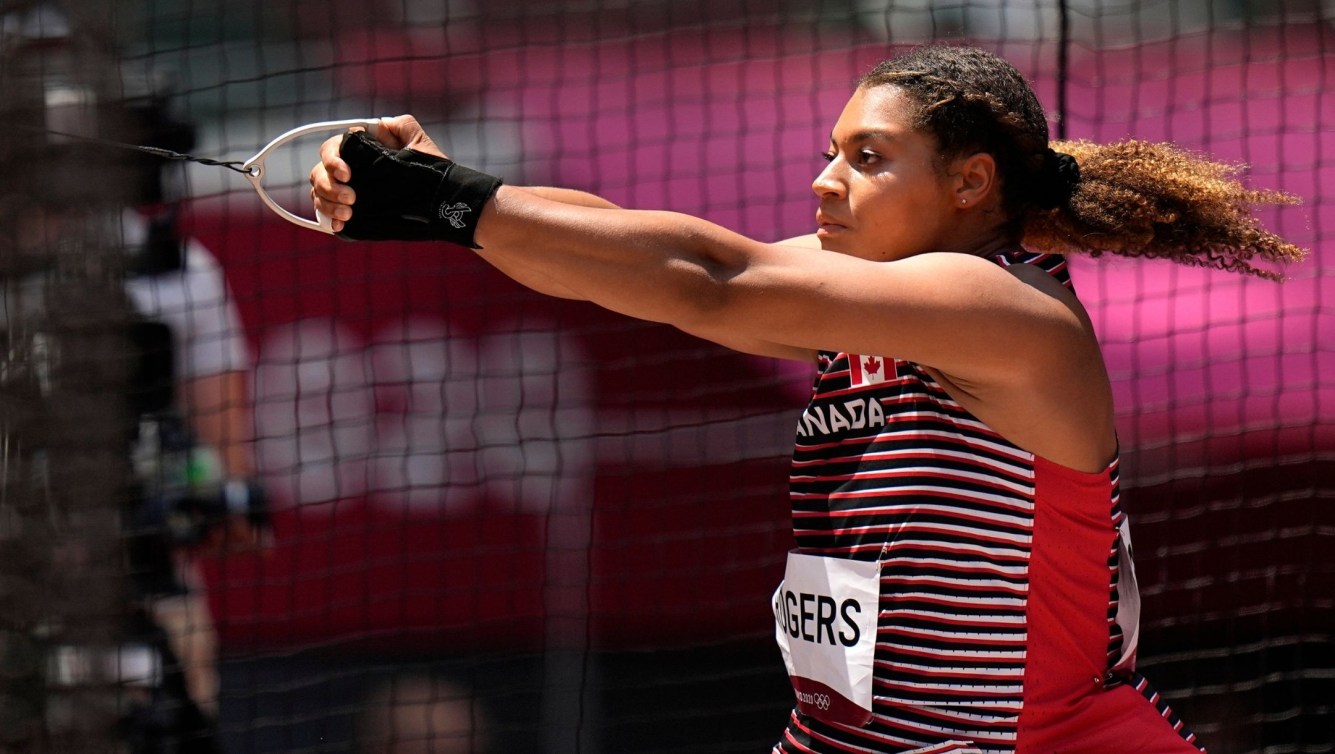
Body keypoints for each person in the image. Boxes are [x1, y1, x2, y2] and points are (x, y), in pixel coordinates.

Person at [309, 45, 1304, 754]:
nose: (826, 181)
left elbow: (704, 272)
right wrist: (446, 193)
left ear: (970, 183)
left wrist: (452, 203)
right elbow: (626, 248)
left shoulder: (1001, 307)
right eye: (832, 151)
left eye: (866, 158)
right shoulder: (868, 307)